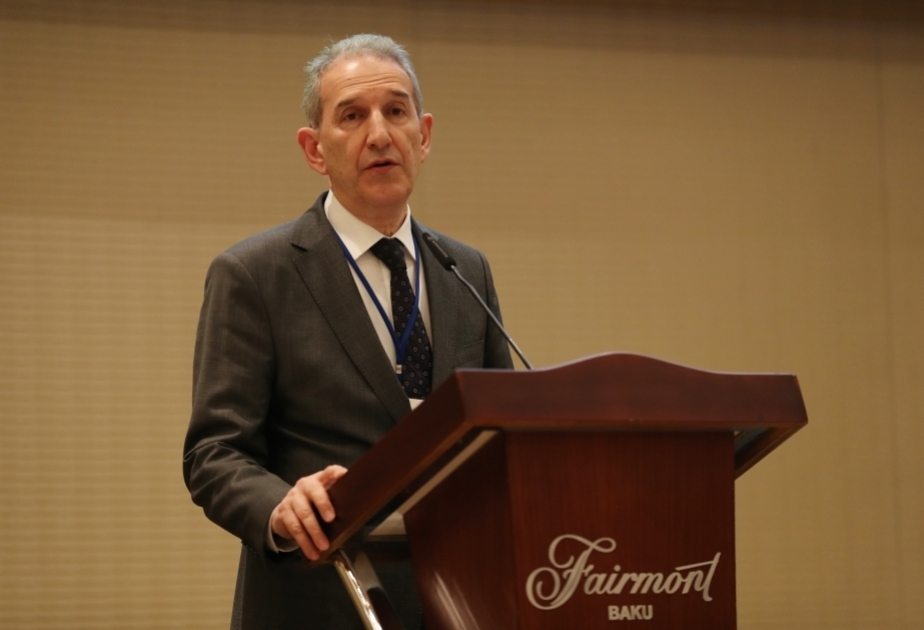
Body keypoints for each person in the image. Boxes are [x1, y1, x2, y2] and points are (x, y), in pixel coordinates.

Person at [182, 33, 513, 629]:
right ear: (315, 149)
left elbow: (498, 440)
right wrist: (280, 506)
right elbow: (214, 454)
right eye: (353, 116)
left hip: (457, 602)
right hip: (317, 599)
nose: (380, 134)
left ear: (424, 135)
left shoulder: (466, 270)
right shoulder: (256, 274)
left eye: (396, 111)